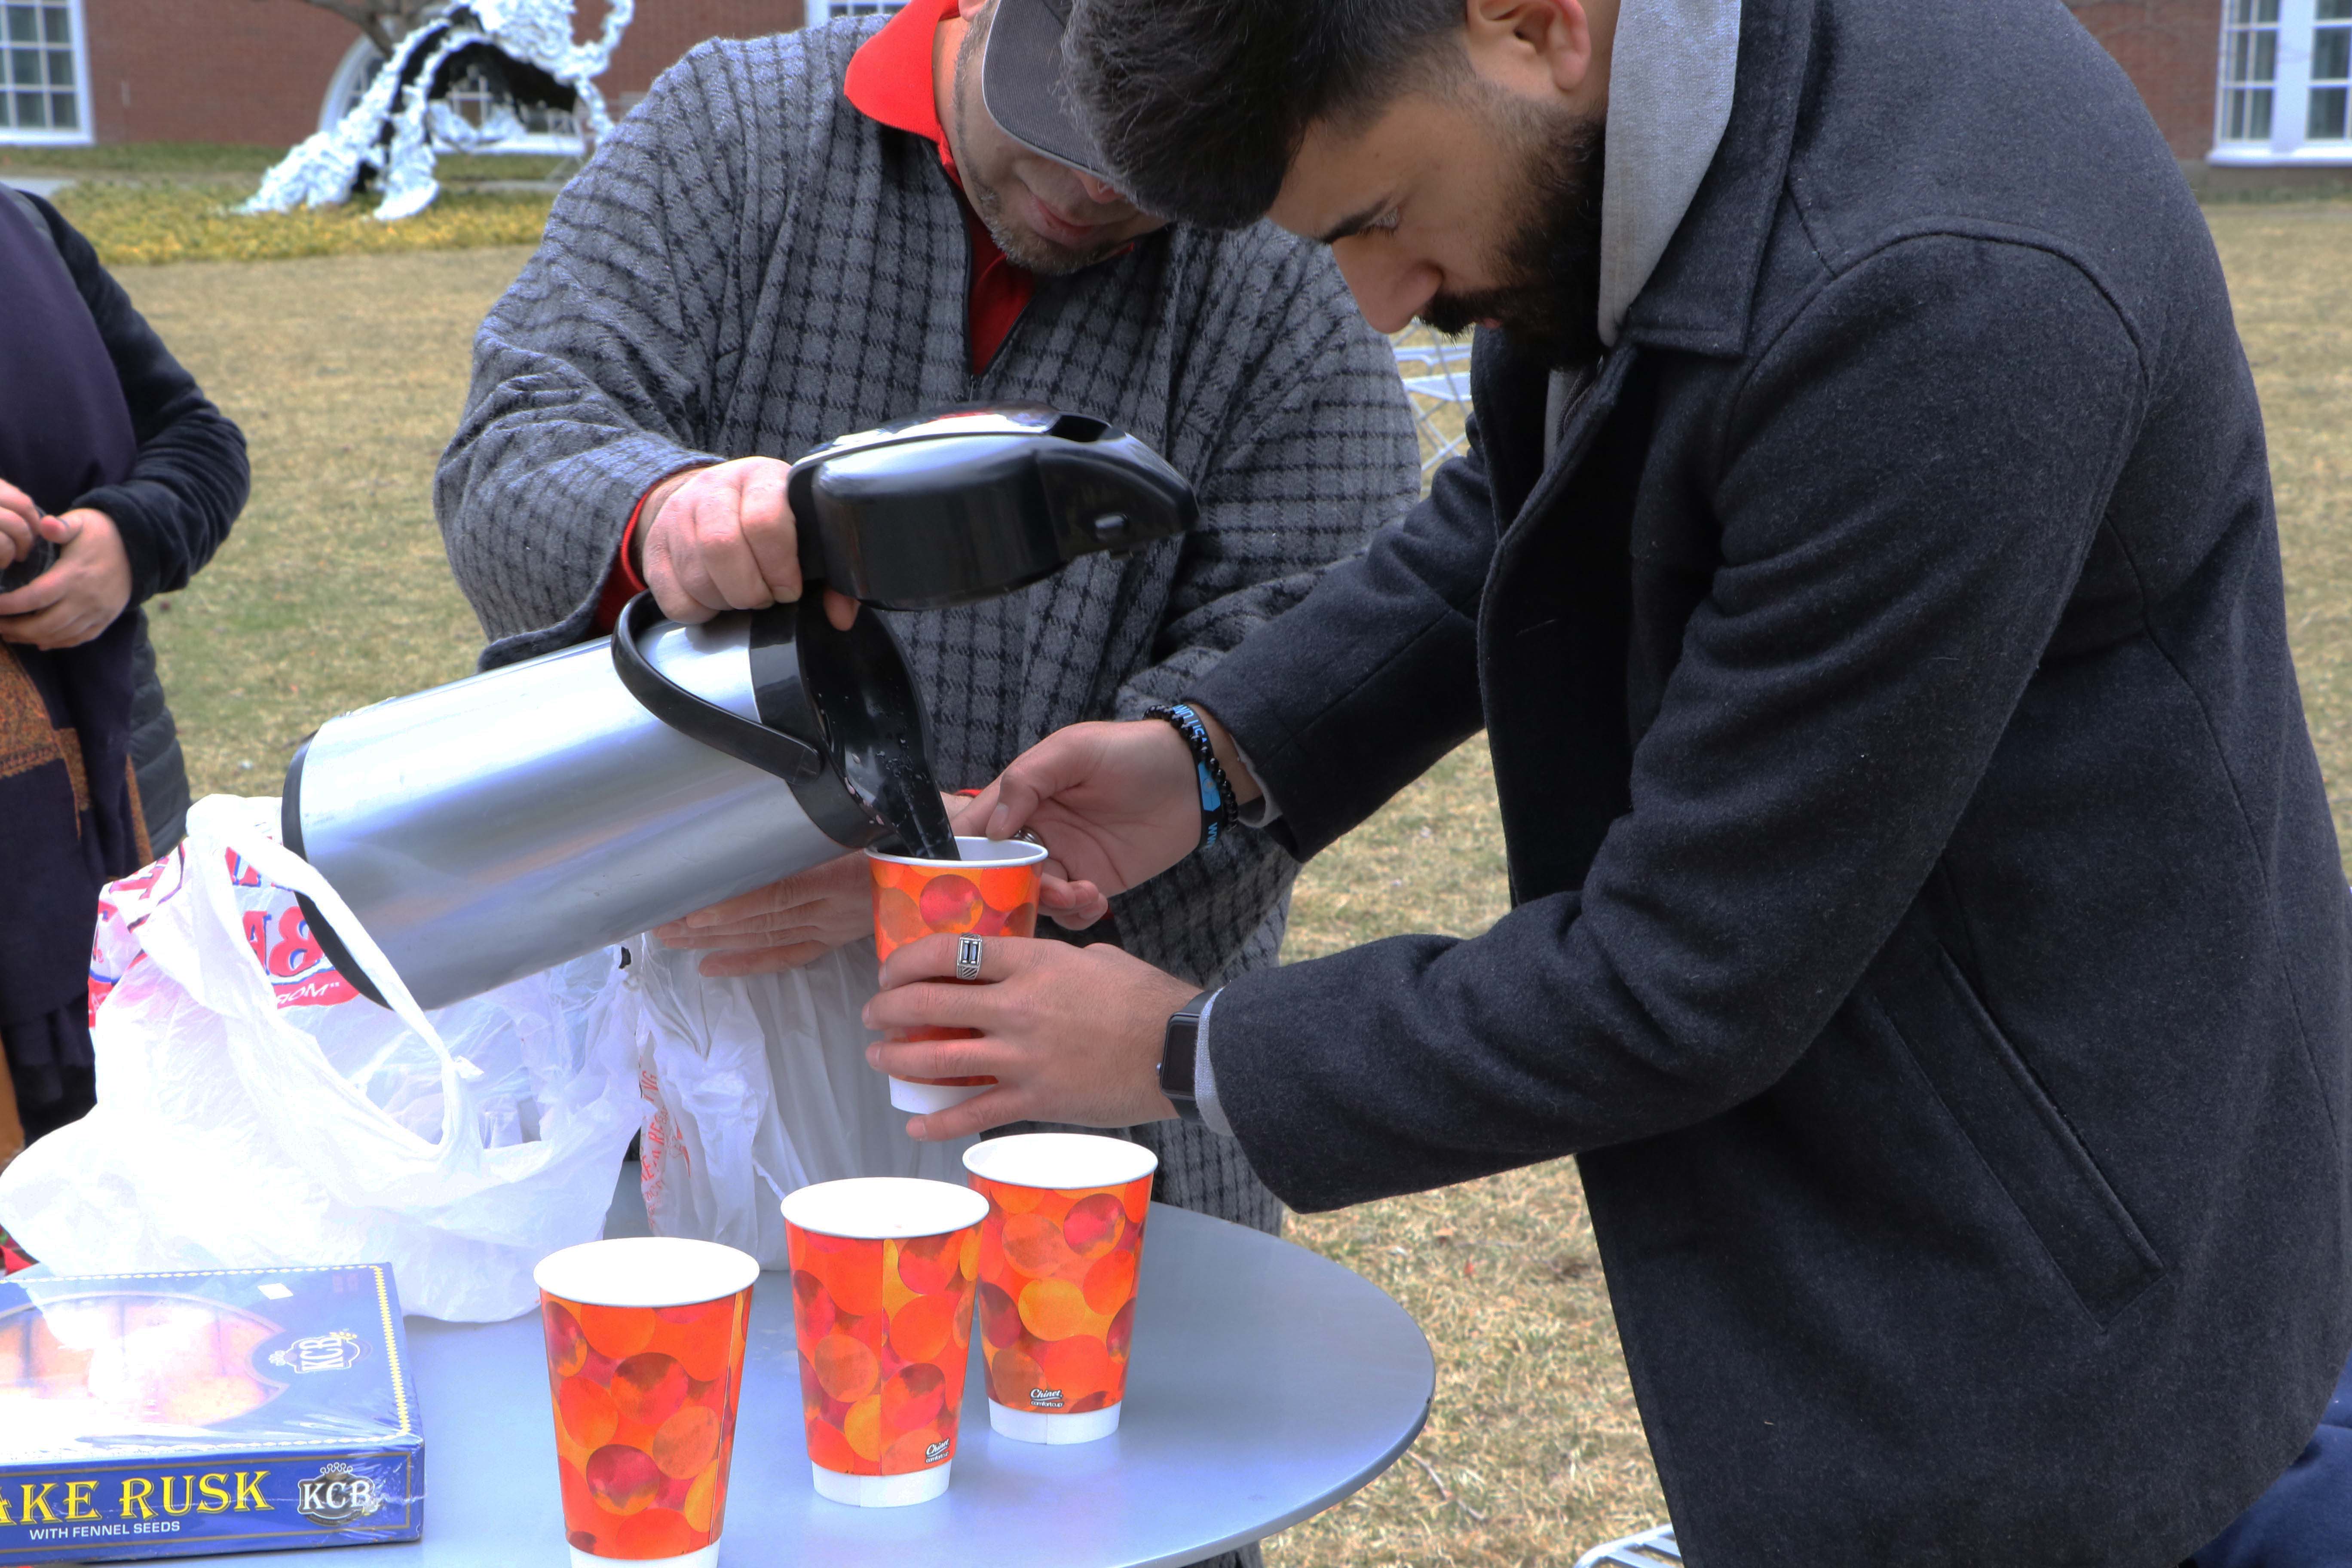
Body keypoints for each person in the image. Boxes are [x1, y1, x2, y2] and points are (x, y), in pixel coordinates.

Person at [857, 0, 2352, 1562]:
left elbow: (1684, 973)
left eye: (1376, 220)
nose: (1381, 305)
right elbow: (1522, 509)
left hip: (2052, 1235)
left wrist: (1177, 1044)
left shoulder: (1938, 290)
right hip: (1917, 1140)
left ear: (1531, 21)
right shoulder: (1624, 122)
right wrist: (1214, 759)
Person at [433, 0, 1415, 1287]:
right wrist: (660, 514)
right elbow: (519, 439)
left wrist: (942, 883)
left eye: (1155, 175)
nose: (1090, 190)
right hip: (674, 1083)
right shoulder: (731, 132)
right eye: (1061, 129)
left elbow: (1300, 668)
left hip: (1090, 1130)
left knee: (1095, 1466)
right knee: (697, 1436)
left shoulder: (1277, 263)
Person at [0, 184, 248, 1170]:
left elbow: (197, 437)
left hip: (117, 795)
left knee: (141, 1161)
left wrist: (128, 540)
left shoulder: (26, 232)